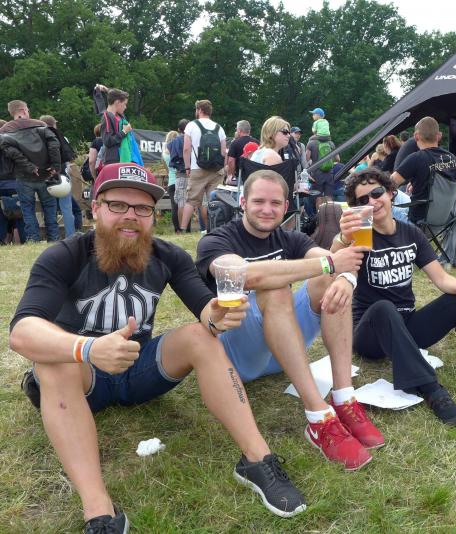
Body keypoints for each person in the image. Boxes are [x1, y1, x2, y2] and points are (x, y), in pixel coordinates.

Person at [11, 163, 308, 532]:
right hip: (83, 379)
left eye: (142, 208)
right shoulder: (64, 255)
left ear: (153, 215)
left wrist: (217, 316)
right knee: (52, 362)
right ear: (96, 208)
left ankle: (257, 460)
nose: (131, 216)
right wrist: (87, 348)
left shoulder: (168, 255)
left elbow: (205, 311)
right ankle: (99, 511)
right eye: (118, 205)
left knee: (200, 337)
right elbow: (22, 331)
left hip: (137, 370)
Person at [196, 169, 381, 470]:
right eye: (258, 201)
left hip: (282, 349)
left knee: (328, 281)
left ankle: (344, 397)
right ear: (243, 202)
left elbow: (331, 262)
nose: (267, 209)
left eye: (275, 203)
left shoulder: (290, 238)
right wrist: (331, 264)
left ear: (285, 206)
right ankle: (318, 418)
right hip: (238, 356)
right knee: (276, 288)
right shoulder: (217, 240)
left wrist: (345, 275)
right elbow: (246, 275)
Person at [334, 168, 456, 427]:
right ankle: (430, 388)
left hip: (407, 327)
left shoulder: (411, 234)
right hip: (370, 334)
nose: (372, 201)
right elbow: (333, 264)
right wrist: (342, 239)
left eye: (377, 193)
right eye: (362, 200)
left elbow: (442, 279)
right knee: (383, 307)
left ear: (390, 193)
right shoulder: (360, 237)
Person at [0, 100, 61, 242]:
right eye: (27, 109)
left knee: (27, 211)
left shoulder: (5, 130)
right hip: (46, 174)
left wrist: (29, 167)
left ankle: (33, 240)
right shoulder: (41, 124)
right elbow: (54, 144)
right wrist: (55, 165)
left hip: (23, 176)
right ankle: (54, 240)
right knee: (50, 209)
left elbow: (11, 152)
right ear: (23, 110)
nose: (28, 111)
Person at [391, 116, 456, 223]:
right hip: (445, 219)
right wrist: (417, 182)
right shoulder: (452, 157)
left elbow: (390, 183)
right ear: (439, 136)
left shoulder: (416, 158)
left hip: (418, 222)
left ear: (416, 136)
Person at [180, 100, 227, 232]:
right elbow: (223, 152)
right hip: (216, 170)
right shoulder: (219, 128)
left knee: (191, 200)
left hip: (197, 168)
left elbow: (186, 149)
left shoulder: (191, 125)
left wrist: (187, 167)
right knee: (213, 201)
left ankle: (182, 229)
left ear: (200, 110)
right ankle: (213, 229)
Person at [40, 114, 79, 237]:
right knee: (66, 208)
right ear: (54, 124)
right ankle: (70, 235)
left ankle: (53, 235)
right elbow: (68, 157)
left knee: (49, 208)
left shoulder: (38, 139)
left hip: (45, 176)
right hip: (62, 176)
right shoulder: (62, 137)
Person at [93, 85, 132, 166]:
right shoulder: (106, 117)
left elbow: (115, 96)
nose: (125, 107)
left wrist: (107, 90)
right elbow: (108, 141)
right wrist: (124, 132)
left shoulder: (120, 116)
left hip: (122, 158)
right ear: (117, 102)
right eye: (124, 104)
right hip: (112, 161)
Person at [167, 119, 190, 232]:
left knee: (181, 202)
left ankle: (182, 229)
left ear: (179, 129)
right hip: (194, 173)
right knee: (191, 202)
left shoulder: (173, 142)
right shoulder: (193, 139)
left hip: (181, 173)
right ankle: (201, 229)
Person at [162, 130, 180, 232]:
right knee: (183, 205)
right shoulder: (177, 151)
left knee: (174, 207)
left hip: (171, 182)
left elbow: (168, 170)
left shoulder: (164, 153)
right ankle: (185, 228)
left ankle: (176, 229)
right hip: (180, 180)